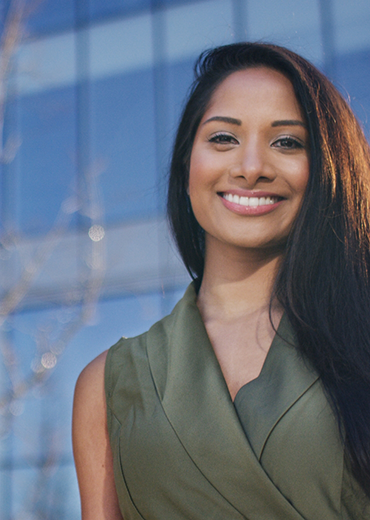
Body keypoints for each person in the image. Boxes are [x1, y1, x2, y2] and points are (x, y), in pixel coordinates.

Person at [72, 42, 370, 519]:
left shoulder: (360, 336)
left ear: (328, 171)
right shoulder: (108, 384)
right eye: (223, 139)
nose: (251, 167)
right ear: (187, 164)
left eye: (287, 142)